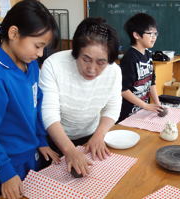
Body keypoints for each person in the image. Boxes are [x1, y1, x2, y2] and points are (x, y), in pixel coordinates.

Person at [0, 1, 60, 198]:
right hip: (3, 163)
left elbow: (36, 105)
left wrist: (41, 140)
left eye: (43, 47)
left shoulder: (31, 65)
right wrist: (6, 173)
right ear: (13, 33)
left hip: (30, 155)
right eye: (38, 45)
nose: (40, 53)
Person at [39, 17, 122, 177]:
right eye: (86, 59)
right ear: (75, 50)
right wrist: (69, 150)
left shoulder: (114, 71)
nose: (92, 69)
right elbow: (49, 113)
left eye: (101, 62)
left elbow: (113, 105)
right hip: (56, 139)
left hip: (91, 137)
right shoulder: (54, 65)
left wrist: (99, 134)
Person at [117, 13, 162, 123]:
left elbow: (151, 82)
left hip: (141, 111)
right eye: (150, 33)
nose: (154, 37)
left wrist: (157, 103)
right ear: (136, 35)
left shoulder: (148, 54)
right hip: (128, 114)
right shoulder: (130, 58)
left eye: (155, 33)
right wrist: (146, 106)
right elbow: (123, 90)